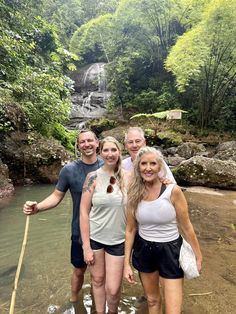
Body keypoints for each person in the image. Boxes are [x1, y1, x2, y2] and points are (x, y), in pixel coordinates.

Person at [23, 130, 104, 303]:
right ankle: (75, 301)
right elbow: (56, 196)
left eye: (90, 140)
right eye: (82, 142)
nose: (87, 144)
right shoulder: (69, 170)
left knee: (100, 275)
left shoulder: (108, 166)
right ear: (78, 146)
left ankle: (99, 305)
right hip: (79, 231)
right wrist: (37, 208)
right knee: (79, 270)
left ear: (97, 143)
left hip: (104, 230)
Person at [124, 146, 202, 314]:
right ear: (138, 167)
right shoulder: (133, 192)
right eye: (143, 163)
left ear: (160, 167)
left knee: (173, 309)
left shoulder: (172, 191)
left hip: (171, 250)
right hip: (144, 249)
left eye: (153, 163)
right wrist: (126, 264)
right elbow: (130, 230)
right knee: (152, 301)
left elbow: (187, 226)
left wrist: (198, 255)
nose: (148, 168)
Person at [80, 136, 127, 314]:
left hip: (118, 239)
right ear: (101, 153)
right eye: (106, 150)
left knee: (113, 290)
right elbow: (83, 212)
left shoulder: (129, 178)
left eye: (113, 150)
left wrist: (167, 183)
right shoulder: (92, 177)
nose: (110, 154)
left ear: (119, 152)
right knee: (98, 280)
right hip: (95, 238)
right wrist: (86, 247)